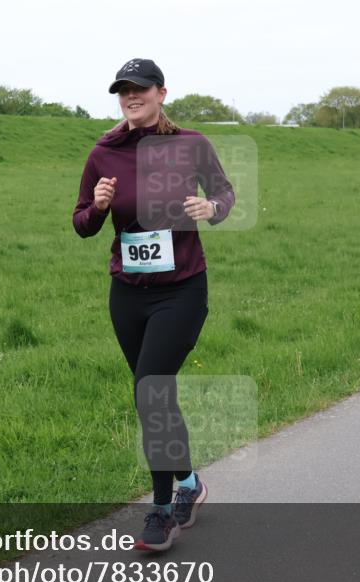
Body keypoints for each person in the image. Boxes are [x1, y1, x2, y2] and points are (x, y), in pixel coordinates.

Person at [72, 58, 235, 551]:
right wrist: (98, 207)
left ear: (162, 93)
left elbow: (225, 194)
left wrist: (211, 209)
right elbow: (80, 223)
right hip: (128, 294)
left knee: (150, 392)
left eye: (139, 89)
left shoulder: (191, 145)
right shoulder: (104, 151)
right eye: (123, 90)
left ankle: (161, 511)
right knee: (156, 398)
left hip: (182, 290)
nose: (131, 96)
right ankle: (188, 482)